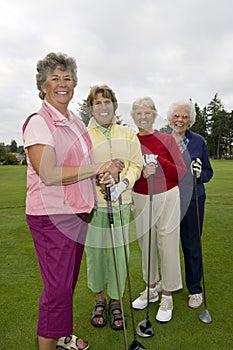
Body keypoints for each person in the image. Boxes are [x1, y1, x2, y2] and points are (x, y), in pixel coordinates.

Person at [22, 53, 124, 350]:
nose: (62, 83)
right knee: (57, 290)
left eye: (67, 78)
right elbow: (50, 174)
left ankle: (62, 335)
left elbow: (80, 168)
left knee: (65, 286)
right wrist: (97, 168)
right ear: (43, 85)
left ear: (75, 83)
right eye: (54, 78)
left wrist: (99, 179)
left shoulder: (76, 122)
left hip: (78, 214)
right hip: (52, 217)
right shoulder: (39, 122)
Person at [84, 84, 142, 330]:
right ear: (91, 107)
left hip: (121, 204)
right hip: (94, 205)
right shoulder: (84, 135)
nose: (103, 106)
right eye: (98, 102)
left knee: (119, 253)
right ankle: (99, 300)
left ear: (114, 105)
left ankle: (116, 301)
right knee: (96, 254)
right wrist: (100, 177)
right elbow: (80, 167)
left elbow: (136, 164)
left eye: (107, 102)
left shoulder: (128, 134)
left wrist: (123, 182)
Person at [130, 97, 186, 323]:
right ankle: (151, 287)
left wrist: (161, 163)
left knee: (168, 243)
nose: (143, 117)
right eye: (138, 113)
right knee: (147, 244)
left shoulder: (167, 140)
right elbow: (128, 174)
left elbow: (181, 173)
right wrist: (140, 174)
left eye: (147, 113)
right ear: (133, 117)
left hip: (168, 196)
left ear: (154, 115)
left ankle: (167, 294)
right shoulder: (131, 142)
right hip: (141, 196)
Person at [167, 100, 213, 308]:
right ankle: (167, 285)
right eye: (177, 116)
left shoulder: (199, 142)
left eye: (185, 116)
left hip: (193, 199)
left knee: (192, 244)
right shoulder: (163, 141)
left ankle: (195, 289)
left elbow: (208, 173)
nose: (180, 120)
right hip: (168, 199)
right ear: (170, 118)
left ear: (190, 120)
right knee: (166, 245)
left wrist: (199, 174)